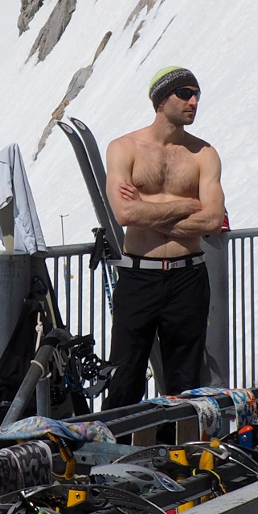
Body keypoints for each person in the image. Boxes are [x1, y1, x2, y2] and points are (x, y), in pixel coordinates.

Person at [103, 65, 226, 403]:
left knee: (184, 379)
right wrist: (187, 206)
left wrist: (148, 212)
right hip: (139, 276)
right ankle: (117, 452)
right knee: (124, 375)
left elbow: (214, 220)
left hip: (189, 277)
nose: (194, 101)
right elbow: (126, 213)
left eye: (197, 94)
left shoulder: (204, 154)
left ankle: (176, 451)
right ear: (160, 100)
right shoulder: (124, 148)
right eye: (184, 93)